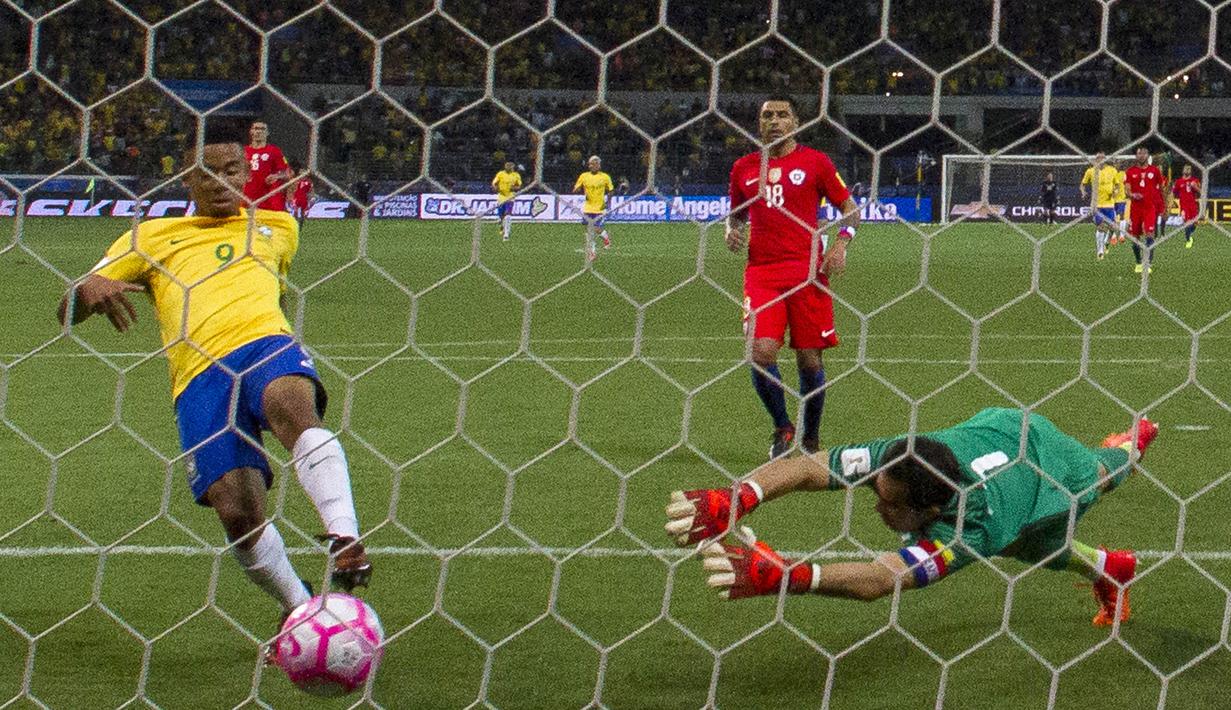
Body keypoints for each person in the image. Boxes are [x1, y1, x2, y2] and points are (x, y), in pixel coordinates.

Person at [57, 124, 372, 630]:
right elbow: (69, 309)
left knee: (290, 402)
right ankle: (299, 609)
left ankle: (345, 536)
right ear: (187, 178)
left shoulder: (277, 227)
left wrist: (287, 339)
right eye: (209, 172)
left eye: (232, 170)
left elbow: (275, 292)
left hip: (265, 343)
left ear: (247, 174)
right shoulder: (152, 236)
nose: (223, 181)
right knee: (237, 511)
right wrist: (85, 289)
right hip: (198, 378)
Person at [665, 408, 1157, 626]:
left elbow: (883, 578)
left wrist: (790, 577)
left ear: (934, 512)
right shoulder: (901, 458)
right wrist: (737, 498)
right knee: (1021, 545)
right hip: (1000, 428)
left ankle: (1132, 443)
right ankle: (1110, 568)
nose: (876, 506)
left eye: (891, 507)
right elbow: (810, 468)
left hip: (1048, 468)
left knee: (1104, 472)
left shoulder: (971, 529)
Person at [727, 95, 859, 458]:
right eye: (766, 115)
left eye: (782, 115)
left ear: (795, 122)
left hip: (808, 273)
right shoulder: (743, 168)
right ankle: (783, 427)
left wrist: (842, 244)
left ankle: (811, 437)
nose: (773, 121)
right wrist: (731, 229)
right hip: (762, 274)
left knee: (809, 361)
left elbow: (850, 209)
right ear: (758, 123)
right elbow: (736, 214)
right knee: (760, 352)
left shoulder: (816, 163)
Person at [1125, 146, 1165, 273]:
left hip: (1150, 208)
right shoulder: (1130, 172)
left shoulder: (1155, 171)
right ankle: (1138, 263)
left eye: (1144, 153)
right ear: (1136, 156)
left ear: (1148, 155)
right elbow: (1127, 191)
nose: (1141, 155)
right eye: (1139, 153)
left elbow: (1162, 189)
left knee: (1150, 234)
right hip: (1135, 209)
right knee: (1135, 237)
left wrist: (1163, 206)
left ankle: (1148, 264)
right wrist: (1132, 195)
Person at [573, 155, 615, 261]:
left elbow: (611, 190)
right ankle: (598, 247)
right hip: (588, 208)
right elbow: (576, 188)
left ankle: (599, 245)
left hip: (600, 208)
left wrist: (607, 202)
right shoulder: (584, 176)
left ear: (599, 165)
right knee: (590, 229)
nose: (593, 165)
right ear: (589, 165)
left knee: (595, 229)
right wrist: (577, 190)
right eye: (592, 164)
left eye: (596, 163)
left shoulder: (605, 177)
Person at [244, 121, 290, 211]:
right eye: (256, 128)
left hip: (267, 200)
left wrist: (277, 176)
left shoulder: (274, 151)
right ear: (251, 131)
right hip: (246, 198)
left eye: (262, 129)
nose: (259, 131)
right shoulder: (243, 152)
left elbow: (287, 173)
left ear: (267, 133)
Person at [1079, 152, 1117, 260]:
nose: (1099, 160)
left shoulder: (1112, 170)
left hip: (1109, 204)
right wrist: (1083, 192)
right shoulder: (1090, 171)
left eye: (1102, 158)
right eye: (1097, 158)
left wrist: (1115, 191)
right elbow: (1082, 184)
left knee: (1113, 227)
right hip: (1097, 205)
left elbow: (1117, 185)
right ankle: (1100, 251)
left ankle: (1106, 242)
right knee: (1100, 226)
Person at [491, 160, 522, 242]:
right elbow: (494, 183)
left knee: (508, 215)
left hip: (510, 197)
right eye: (508, 166)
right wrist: (495, 188)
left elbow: (519, 186)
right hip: (501, 197)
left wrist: (514, 188)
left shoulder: (516, 175)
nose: (509, 168)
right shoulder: (500, 174)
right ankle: (501, 224)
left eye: (511, 167)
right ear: (505, 167)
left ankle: (506, 235)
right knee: (501, 216)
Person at [1172, 163, 1201, 248]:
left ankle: (1189, 233)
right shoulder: (1179, 182)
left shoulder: (1195, 180)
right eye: (1186, 169)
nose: (1187, 170)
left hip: (1193, 206)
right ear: (1183, 170)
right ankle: (1188, 240)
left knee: (1195, 223)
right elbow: (1174, 193)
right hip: (1184, 207)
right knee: (1187, 223)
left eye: (1189, 169)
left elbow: (1200, 192)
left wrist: (1195, 187)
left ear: (1191, 171)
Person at [286, 158, 313, 227]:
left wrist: (290, 196)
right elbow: (309, 191)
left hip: (299, 197)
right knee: (300, 211)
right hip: (301, 197)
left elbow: (309, 191)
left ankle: (298, 223)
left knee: (297, 210)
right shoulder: (306, 181)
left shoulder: (297, 181)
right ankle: (299, 224)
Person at [1112, 160, 1128, 244]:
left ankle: (1122, 236)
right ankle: (1114, 236)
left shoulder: (1123, 174)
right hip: (1112, 200)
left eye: (1118, 163)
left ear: (1120, 165)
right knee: (1113, 218)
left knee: (1121, 216)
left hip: (1121, 199)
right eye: (1115, 163)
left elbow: (1127, 184)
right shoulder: (1111, 174)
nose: (1116, 165)